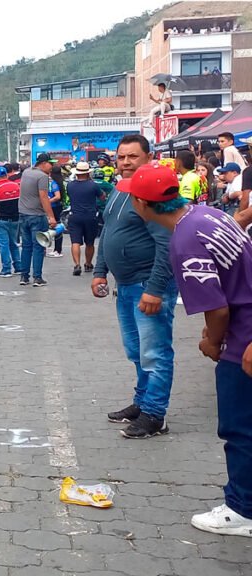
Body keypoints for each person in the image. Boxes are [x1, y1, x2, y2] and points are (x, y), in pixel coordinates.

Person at [125, 162, 252, 537]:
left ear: (141, 205)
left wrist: (212, 341)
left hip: (243, 331)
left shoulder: (185, 240)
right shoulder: (206, 213)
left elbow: (218, 307)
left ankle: (242, 509)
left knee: (239, 426)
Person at [93, 135, 178, 439]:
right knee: (137, 351)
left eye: (133, 157)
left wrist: (155, 289)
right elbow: (108, 232)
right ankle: (142, 403)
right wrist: (100, 270)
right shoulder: (120, 191)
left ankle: (155, 415)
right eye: (121, 157)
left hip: (148, 285)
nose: (126, 163)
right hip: (125, 285)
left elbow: (167, 243)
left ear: (149, 157)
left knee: (155, 352)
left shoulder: (153, 193)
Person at [18, 153, 57, 287]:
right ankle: (37, 277)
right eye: (50, 164)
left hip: (23, 214)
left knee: (26, 247)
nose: (52, 167)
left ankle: (24, 276)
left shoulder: (26, 172)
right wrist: (51, 217)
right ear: (44, 163)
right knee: (38, 247)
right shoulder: (42, 176)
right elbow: (44, 197)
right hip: (37, 216)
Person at [66, 162, 103, 275]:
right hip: (90, 216)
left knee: (75, 242)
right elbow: (102, 197)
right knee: (90, 243)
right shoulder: (93, 185)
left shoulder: (70, 185)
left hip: (75, 216)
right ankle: (88, 263)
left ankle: (77, 265)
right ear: (88, 173)